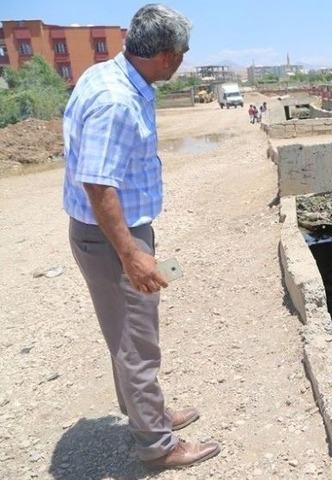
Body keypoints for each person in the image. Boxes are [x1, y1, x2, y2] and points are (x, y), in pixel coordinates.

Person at [63, 4, 220, 470]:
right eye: (183, 53)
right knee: (136, 342)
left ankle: (145, 412)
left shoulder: (115, 76)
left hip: (109, 234)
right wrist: (131, 253)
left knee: (126, 336)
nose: (184, 61)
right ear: (167, 55)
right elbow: (97, 182)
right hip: (112, 239)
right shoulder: (116, 99)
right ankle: (158, 444)